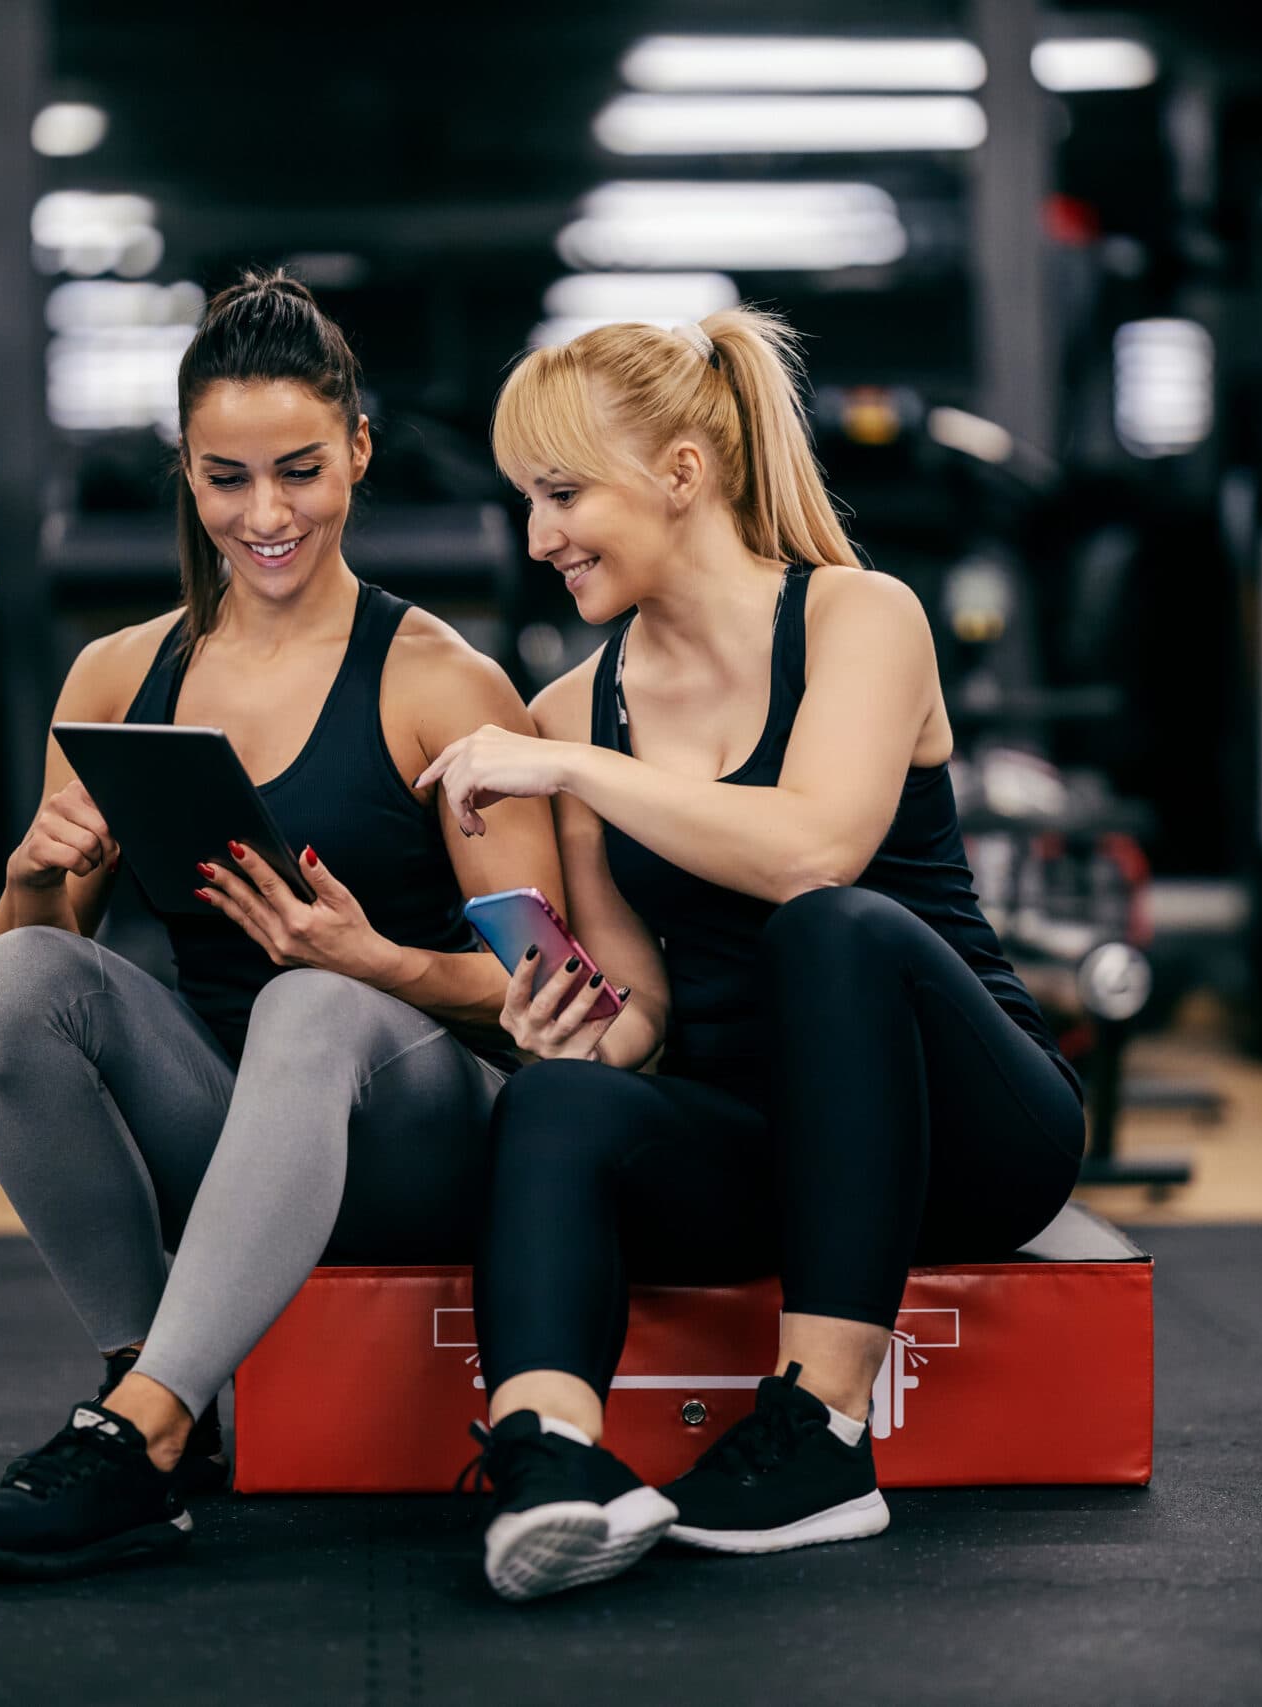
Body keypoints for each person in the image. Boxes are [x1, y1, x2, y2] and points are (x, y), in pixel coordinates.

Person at [420, 310, 1086, 1602]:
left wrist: (575, 769)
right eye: (528, 502)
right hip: (770, 1154)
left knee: (830, 926)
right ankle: (551, 1459)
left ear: (682, 472)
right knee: (554, 1103)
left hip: (970, 1134)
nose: (539, 537)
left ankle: (822, 1433)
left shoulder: (859, 616)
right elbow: (642, 1007)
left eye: (563, 494)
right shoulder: (575, 708)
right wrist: (570, 1029)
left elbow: (814, 851)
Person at [0, 272, 560, 1580]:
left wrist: (376, 963)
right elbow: (20, 989)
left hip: (419, 1138)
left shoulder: (440, 684)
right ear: (187, 469)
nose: (265, 515)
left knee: (312, 1000)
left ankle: (140, 1432)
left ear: (359, 453)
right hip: (234, 1139)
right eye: (227, 479)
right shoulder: (121, 674)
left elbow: (559, 990)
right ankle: (154, 1391)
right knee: (11, 982)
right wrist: (38, 875)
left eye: (300, 472)